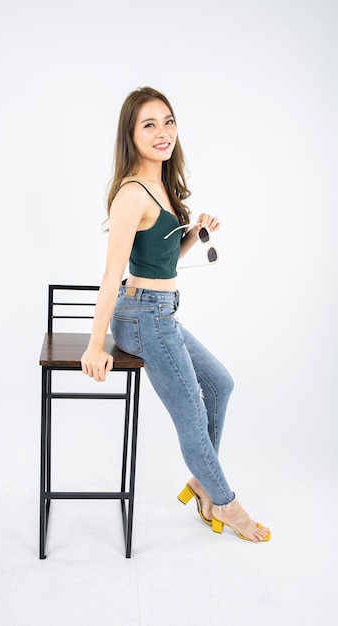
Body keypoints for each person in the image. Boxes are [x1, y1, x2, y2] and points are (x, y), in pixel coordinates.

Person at [81, 86, 270, 542]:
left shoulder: (161, 184)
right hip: (142, 316)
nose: (162, 132)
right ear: (131, 134)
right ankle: (225, 505)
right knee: (190, 415)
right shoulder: (132, 194)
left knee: (220, 384)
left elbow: (161, 261)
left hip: (161, 311)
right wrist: (94, 344)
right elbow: (112, 276)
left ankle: (203, 484)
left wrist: (194, 232)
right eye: (149, 124)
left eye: (168, 121)